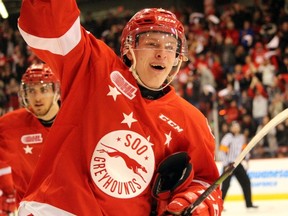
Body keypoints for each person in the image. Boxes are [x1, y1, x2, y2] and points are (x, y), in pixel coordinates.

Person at [17, 1, 223, 216]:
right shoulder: (94, 68)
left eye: (170, 47)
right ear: (129, 48)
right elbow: (50, 26)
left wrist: (188, 206)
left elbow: (204, 183)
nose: (162, 53)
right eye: (151, 44)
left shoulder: (191, 121)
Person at [0, 63, 60, 206]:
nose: (37, 97)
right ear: (24, 94)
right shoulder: (8, 125)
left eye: (44, 89)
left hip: (68, 207)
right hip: (28, 208)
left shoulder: (77, 122)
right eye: (31, 91)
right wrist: (6, 190)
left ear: (56, 91)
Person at [219, 121, 258, 209]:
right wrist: (225, 164)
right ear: (231, 128)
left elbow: (245, 150)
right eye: (234, 126)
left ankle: (249, 204)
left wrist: (247, 160)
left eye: (237, 126)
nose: (236, 128)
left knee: (246, 182)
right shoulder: (228, 137)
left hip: (238, 164)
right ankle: (219, 205)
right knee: (225, 185)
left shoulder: (241, 137)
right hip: (229, 165)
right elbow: (221, 151)